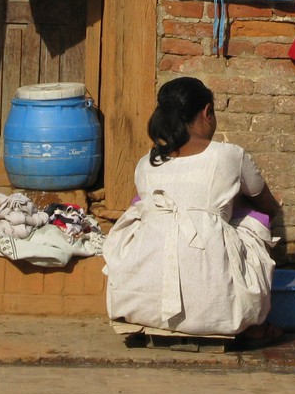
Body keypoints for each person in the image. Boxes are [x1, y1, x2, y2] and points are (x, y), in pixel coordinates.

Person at [102, 77, 281, 341]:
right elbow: (269, 207)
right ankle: (240, 314)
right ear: (207, 112)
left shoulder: (145, 164)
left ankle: (150, 311)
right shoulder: (230, 155)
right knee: (256, 217)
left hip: (139, 303)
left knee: (143, 209)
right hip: (217, 297)